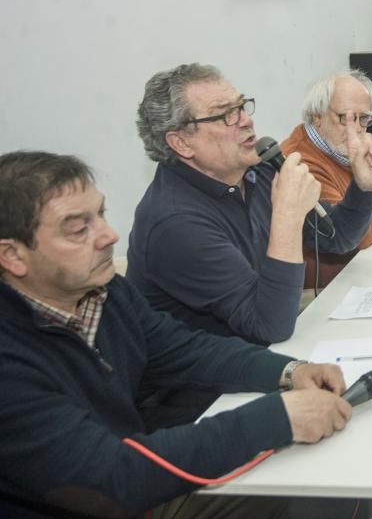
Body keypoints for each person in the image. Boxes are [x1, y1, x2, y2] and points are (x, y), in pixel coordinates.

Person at [0, 151, 352, 519]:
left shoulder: (105, 294)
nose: (108, 235)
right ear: (13, 256)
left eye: (100, 215)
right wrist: (275, 419)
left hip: (135, 489)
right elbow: (106, 478)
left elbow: (188, 351)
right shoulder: (9, 361)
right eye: (78, 229)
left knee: (310, 476)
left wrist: (289, 370)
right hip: (113, 492)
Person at [129, 64, 372, 344]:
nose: (246, 120)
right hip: (216, 383)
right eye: (226, 115)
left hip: (267, 352)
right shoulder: (174, 223)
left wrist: (364, 186)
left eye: (243, 106)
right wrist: (287, 216)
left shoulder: (257, 170)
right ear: (181, 142)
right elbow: (269, 325)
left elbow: (339, 237)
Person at [282, 71, 372, 288]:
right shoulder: (299, 163)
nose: (357, 129)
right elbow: (357, 236)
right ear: (316, 117)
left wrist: (367, 208)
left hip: (361, 270)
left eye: (364, 118)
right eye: (345, 118)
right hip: (326, 290)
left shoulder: (349, 147)